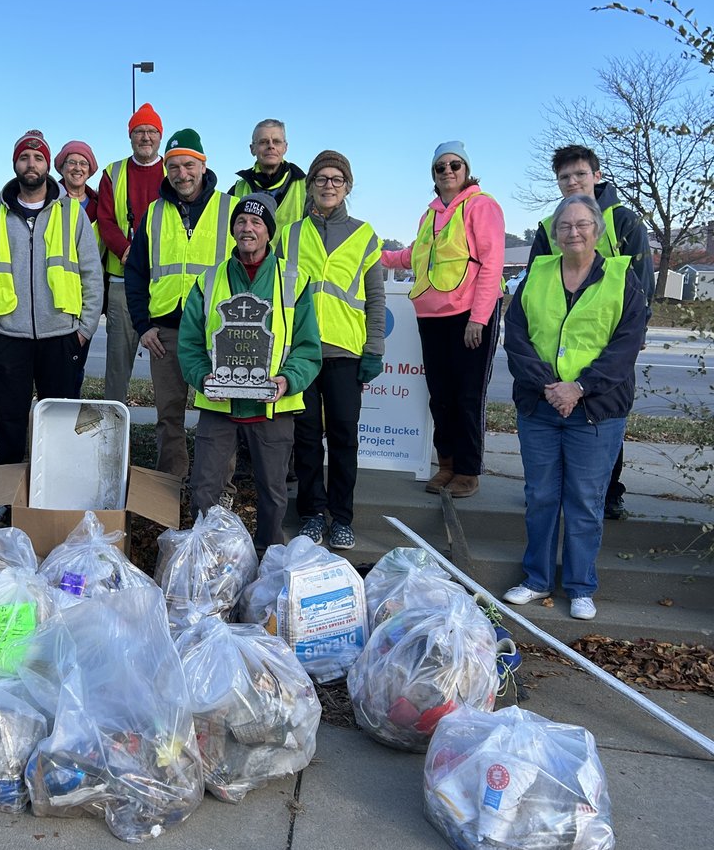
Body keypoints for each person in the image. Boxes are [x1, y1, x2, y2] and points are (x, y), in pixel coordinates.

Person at [502, 194, 646, 620]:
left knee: (585, 500)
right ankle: (536, 579)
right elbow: (517, 337)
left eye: (583, 224)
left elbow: (624, 347)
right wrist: (551, 387)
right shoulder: (538, 274)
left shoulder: (623, 279)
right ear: (555, 232)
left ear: (597, 232)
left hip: (596, 410)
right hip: (541, 405)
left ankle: (582, 586)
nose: (573, 232)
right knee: (541, 495)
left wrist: (579, 387)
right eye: (565, 225)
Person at [179, 193, 321, 553]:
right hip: (220, 403)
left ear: (268, 232)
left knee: (272, 493)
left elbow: (308, 347)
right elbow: (190, 343)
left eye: (257, 222)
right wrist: (202, 378)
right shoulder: (208, 281)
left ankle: (269, 560)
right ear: (233, 229)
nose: (247, 228)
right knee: (205, 488)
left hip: (273, 404)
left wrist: (288, 380)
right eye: (241, 221)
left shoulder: (294, 280)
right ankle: (208, 559)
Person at [526, 144, 654, 520]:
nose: (572, 182)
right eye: (564, 177)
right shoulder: (550, 227)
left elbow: (642, 280)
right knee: (554, 415)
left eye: (579, 174)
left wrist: (638, 329)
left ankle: (609, 491)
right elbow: (535, 279)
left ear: (596, 176)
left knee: (605, 415)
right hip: (558, 336)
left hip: (609, 337)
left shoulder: (624, 220)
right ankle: (549, 491)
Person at [0, 129, 103, 487]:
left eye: (39, 157)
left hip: (61, 335)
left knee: (60, 420)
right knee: (9, 419)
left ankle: (57, 490)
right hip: (7, 336)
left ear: (48, 165)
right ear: (15, 164)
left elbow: (92, 273)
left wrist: (85, 329)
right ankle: (3, 493)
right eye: (25, 158)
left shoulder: (72, 213)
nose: (32, 164)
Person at [379, 141, 505, 497]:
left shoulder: (483, 206)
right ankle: (446, 464)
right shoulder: (430, 215)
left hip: (469, 316)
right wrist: (380, 256)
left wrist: (479, 319)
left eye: (455, 165)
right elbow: (415, 257)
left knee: (467, 395)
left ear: (466, 170)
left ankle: (468, 470)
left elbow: (492, 264)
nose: (448, 171)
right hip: (431, 316)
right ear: (433, 175)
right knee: (441, 395)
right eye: (440, 167)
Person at [276, 151, 384, 551]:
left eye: (337, 179)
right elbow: (280, 295)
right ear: (311, 185)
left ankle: (342, 517)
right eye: (321, 178)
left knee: (343, 437)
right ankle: (310, 514)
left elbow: (375, 297)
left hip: (345, 352)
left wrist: (374, 347)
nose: (328, 185)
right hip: (300, 353)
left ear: (348, 186)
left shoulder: (364, 235)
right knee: (304, 437)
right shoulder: (289, 235)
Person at [125, 128, 237, 479]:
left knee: (220, 413)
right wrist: (143, 325)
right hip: (166, 334)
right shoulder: (154, 213)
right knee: (168, 414)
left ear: (203, 166)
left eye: (189, 165)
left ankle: (217, 490)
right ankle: (170, 485)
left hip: (216, 334)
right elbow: (136, 272)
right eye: (173, 167)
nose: (181, 174)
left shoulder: (230, 210)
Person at [96, 103, 166, 404]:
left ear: (160, 136)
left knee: (167, 368)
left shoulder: (173, 170)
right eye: (139, 131)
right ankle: (112, 432)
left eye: (152, 131)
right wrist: (127, 253)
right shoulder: (113, 172)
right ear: (130, 136)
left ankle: (167, 438)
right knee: (117, 366)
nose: (146, 137)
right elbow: (106, 220)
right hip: (123, 281)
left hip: (163, 285)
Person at [55, 139, 102, 397]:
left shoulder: (98, 204)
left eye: (83, 163)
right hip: (56, 294)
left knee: (77, 362)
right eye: (71, 162)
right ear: (61, 167)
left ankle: (70, 410)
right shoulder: (49, 199)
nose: (77, 167)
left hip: (86, 294)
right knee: (54, 365)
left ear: (90, 169)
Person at [230, 119, 307, 229]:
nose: (271, 146)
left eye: (276, 141)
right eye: (263, 142)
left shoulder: (307, 187)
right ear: (252, 149)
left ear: (285, 147)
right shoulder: (237, 189)